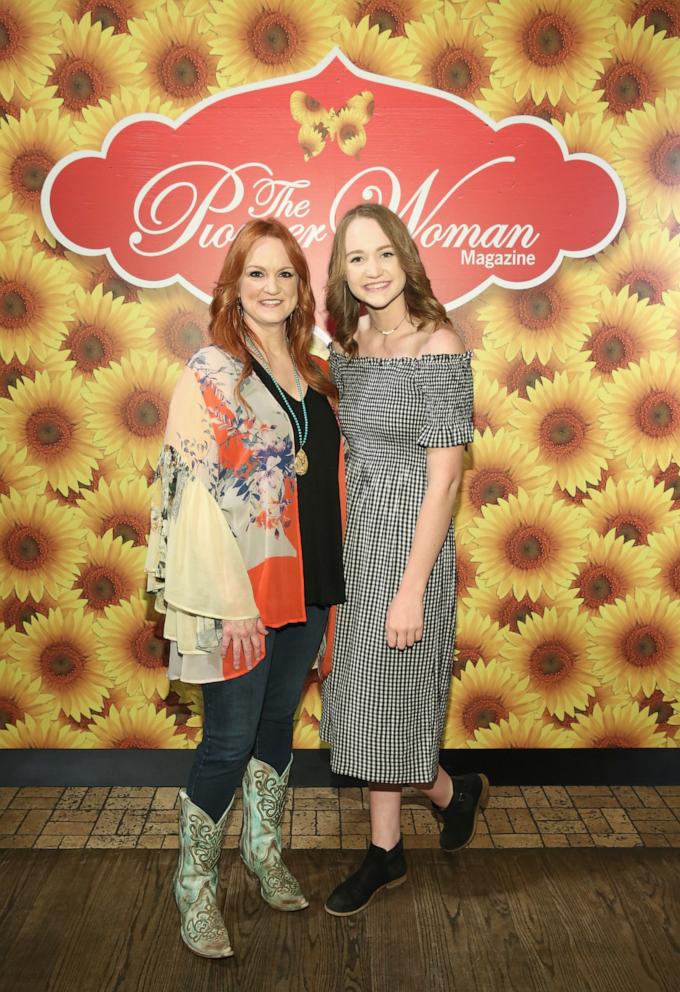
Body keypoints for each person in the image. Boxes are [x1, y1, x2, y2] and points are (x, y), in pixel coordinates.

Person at [146, 218, 345, 957]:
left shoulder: (317, 373)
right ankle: (194, 890)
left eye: (285, 275)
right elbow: (192, 495)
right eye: (256, 274)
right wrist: (230, 603)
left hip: (313, 583)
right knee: (226, 741)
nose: (271, 287)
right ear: (232, 287)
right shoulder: (212, 371)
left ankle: (263, 856)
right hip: (241, 595)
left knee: (274, 730)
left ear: (301, 290)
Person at [320, 203, 488, 917]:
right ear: (343, 271)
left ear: (406, 257)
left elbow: (445, 478)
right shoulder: (350, 344)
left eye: (384, 253)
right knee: (362, 702)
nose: (373, 270)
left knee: (392, 698)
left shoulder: (439, 344)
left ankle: (387, 852)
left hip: (411, 542)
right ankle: (452, 795)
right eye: (357, 258)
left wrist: (413, 587)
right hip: (356, 538)